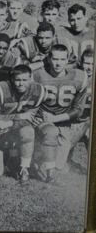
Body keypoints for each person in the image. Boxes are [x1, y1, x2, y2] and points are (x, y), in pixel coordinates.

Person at [0, 65, 46, 185]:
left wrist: (10, 123)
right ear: (12, 79)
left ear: (31, 79)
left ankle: (24, 169)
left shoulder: (38, 91)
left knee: (28, 131)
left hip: (12, 126)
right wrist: (18, 116)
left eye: (24, 80)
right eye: (18, 80)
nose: (21, 84)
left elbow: (29, 118)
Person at [33, 45, 89, 182]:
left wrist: (55, 118)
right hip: (43, 119)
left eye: (62, 59)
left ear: (67, 60)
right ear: (49, 59)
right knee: (47, 151)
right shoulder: (38, 75)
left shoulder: (78, 76)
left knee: (59, 165)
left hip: (62, 121)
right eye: (55, 59)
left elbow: (78, 110)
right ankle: (36, 159)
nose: (58, 63)